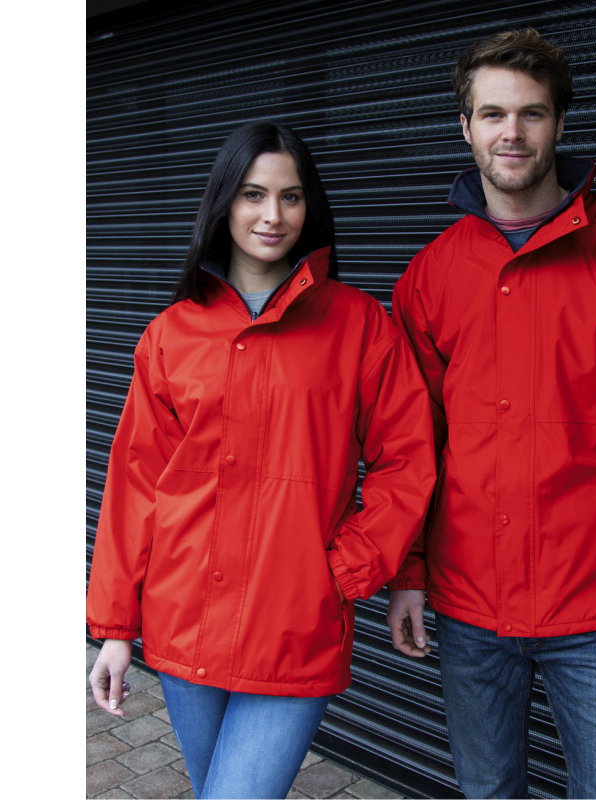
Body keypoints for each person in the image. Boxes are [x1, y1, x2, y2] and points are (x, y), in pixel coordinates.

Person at [385, 28, 596, 800]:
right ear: (465, 127)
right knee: (488, 791)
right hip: (468, 603)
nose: (512, 132)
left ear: (560, 123)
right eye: (493, 114)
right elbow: (411, 446)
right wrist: (408, 574)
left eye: (531, 113)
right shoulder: (430, 276)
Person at [87, 120, 436, 800]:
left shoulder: (359, 324)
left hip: (294, 621)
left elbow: (408, 459)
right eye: (253, 194)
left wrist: (347, 568)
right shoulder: (170, 334)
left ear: (310, 208)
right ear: (223, 203)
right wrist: (115, 628)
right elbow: (136, 487)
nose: (272, 215)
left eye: (290, 196)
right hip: (184, 617)